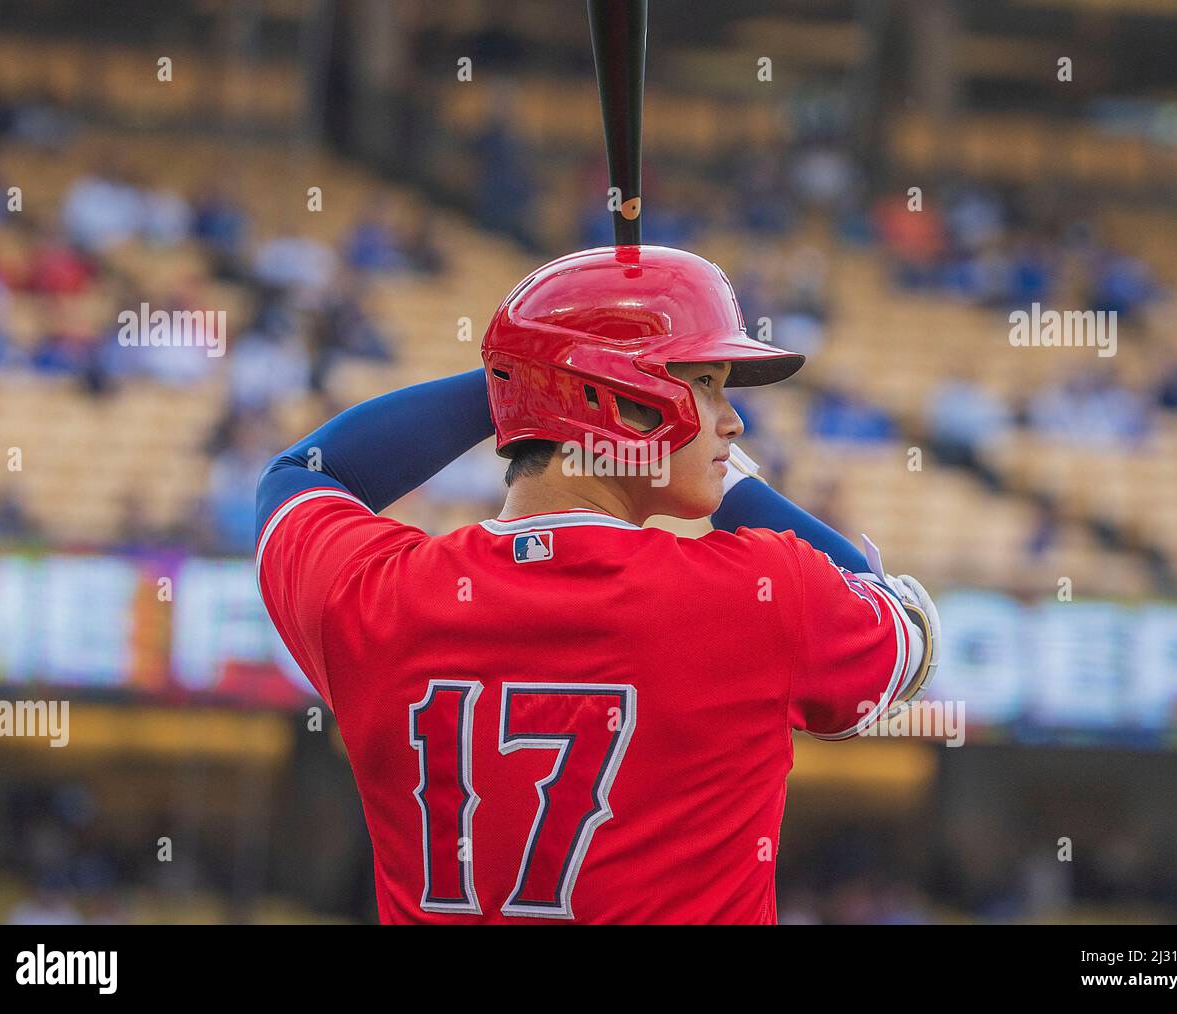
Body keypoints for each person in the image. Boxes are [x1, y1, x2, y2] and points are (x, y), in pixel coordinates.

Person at [255, 245, 939, 924]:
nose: (731, 420)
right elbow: (900, 618)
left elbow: (302, 474)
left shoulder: (380, 593)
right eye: (704, 384)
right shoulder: (762, 593)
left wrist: (522, 375)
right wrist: (726, 477)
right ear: (624, 401)